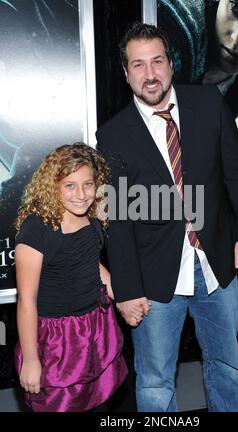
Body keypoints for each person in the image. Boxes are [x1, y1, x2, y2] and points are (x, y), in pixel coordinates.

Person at [96, 22, 238, 412]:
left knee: (228, 366)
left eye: (156, 61)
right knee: (154, 381)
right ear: (126, 73)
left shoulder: (208, 104)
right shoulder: (113, 135)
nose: (149, 74)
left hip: (216, 264)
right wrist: (128, 289)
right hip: (153, 279)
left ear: (171, 63)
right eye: (138, 65)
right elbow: (117, 222)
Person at [14, 143, 128, 412]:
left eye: (88, 184)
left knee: (99, 403)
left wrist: (125, 297)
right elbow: (26, 301)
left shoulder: (92, 217)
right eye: (70, 185)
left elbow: (92, 265)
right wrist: (31, 360)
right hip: (57, 341)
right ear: (53, 185)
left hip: (96, 328)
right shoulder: (36, 228)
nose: (81, 194)